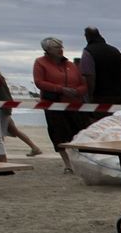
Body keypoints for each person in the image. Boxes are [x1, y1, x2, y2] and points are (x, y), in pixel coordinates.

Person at [32, 37, 86, 171]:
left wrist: (77, 91)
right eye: (56, 47)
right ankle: (68, 164)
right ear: (47, 50)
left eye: (61, 47)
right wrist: (60, 89)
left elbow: (83, 84)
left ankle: (81, 161)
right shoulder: (40, 62)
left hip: (74, 104)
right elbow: (39, 82)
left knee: (78, 133)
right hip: (53, 104)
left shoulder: (70, 65)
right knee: (59, 134)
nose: (60, 49)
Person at [0, 54, 44, 156]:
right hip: (1, 107)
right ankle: (34, 148)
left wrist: (7, 108)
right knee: (13, 130)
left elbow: (4, 95)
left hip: (1, 108)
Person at [80, 27, 121, 111]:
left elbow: (89, 77)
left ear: (86, 36)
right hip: (120, 97)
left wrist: (90, 97)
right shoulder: (115, 51)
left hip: (100, 97)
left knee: (99, 122)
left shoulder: (88, 52)